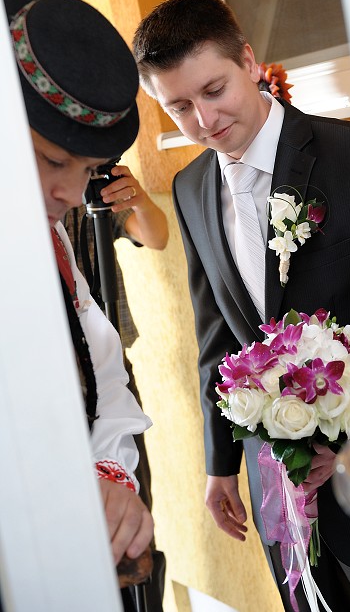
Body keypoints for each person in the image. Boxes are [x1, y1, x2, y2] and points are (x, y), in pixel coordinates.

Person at [132, 0, 350, 612]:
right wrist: (221, 463)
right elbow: (217, 334)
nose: (203, 120)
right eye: (179, 107)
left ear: (248, 61)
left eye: (213, 90)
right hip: (279, 487)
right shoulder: (192, 188)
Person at [2, 0, 154, 609]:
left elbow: (101, 373)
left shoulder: (50, 240)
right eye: (50, 159)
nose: (70, 193)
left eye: (87, 170)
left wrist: (104, 476)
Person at [64, 171, 168, 610]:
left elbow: (156, 235)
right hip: (57, 385)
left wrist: (138, 199)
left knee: (134, 510)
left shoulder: (86, 178)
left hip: (109, 374)